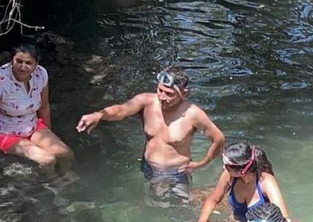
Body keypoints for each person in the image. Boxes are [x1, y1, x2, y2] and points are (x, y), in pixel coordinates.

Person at [76, 66, 224, 206]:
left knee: (180, 210)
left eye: (169, 94)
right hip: (148, 167)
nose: (162, 97)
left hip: (177, 173)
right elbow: (121, 110)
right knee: (148, 203)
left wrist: (202, 163)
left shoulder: (193, 114)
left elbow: (218, 139)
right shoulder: (146, 102)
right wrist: (99, 115)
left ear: (184, 93)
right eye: (160, 90)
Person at [0, 43, 74, 174]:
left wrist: (48, 133)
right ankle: (52, 185)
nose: (23, 67)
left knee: (66, 153)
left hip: (31, 125)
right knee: (48, 159)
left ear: (36, 63)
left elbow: (44, 106)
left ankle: (67, 177)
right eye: (19, 61)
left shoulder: (41, 74)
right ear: (12, 60)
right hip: (5, 132)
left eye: (28, 63)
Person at [194, 142, 289, 222]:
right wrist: (202, 221)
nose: (224, 167)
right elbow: (213, 199)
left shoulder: (265, 181)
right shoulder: (228, 176)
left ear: (242, 171)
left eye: (227, 166)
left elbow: (283, 217)